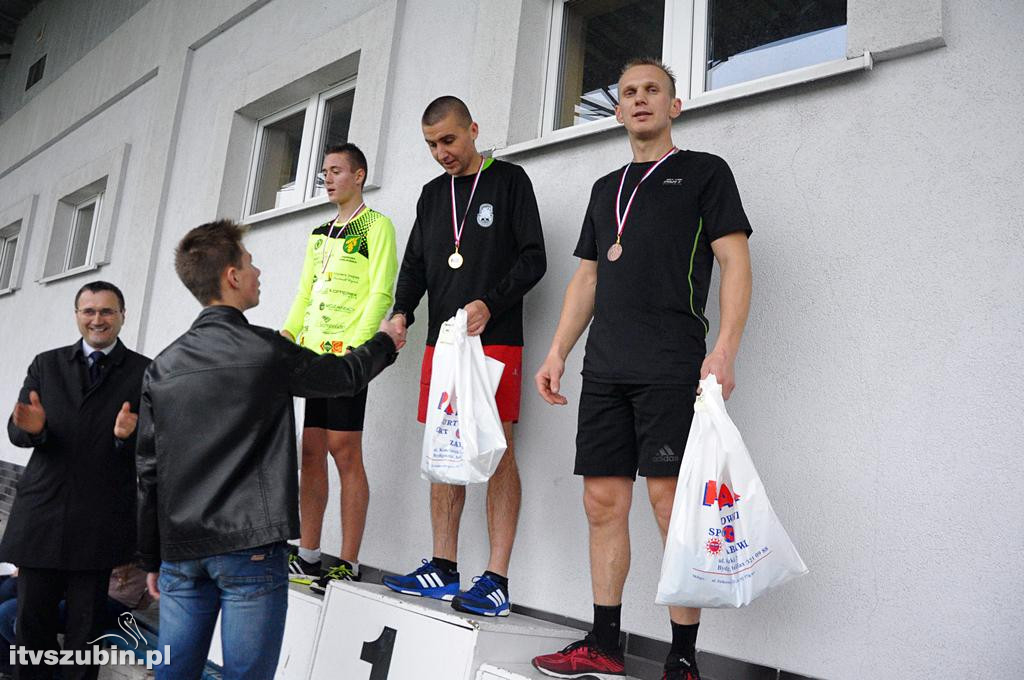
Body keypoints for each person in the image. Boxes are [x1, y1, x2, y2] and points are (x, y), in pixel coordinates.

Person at [531, 58, 753, 680]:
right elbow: (588, 277)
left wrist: (726, 348)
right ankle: (603, 642)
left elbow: (735, 263)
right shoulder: (606, 189)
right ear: (619, 110)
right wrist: (557, 352)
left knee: (669, 505)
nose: (639, 99)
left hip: (670, 363)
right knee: (603, 502)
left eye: (652, 90)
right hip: (605, 368)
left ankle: (682, 656)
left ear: (674, 105)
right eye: (628, 93)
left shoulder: (705, 173)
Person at [136, 220, 403, 680]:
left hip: (181, 552)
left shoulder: (163, 367)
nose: (258, 272)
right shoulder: (265, 351)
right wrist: (386, 342)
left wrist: (150, 556)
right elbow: (341, 378)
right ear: (232, 277)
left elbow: (147, 472)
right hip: (250, 550)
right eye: (250, 263)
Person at [382, 96, 546, 617]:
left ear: (473, 129)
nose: (441, 153)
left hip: (494, 337)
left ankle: (496, 578)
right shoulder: (432, 196)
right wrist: (402, 311)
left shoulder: (510, 181)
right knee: (446, 444)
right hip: (442, 344)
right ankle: (442, 566)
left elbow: (534, 257)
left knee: (497, 451)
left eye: (449, 140)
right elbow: (414, 262)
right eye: (431, 145)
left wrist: (489, 302)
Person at [2, 281, 150, 680]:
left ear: (122, 316)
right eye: (89, 311)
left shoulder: (143, 371)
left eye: (106, 311)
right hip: (42, 515)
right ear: (77, 315)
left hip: (98, 522)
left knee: (85, 634)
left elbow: (157, 448)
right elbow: (17, 433)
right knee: (31, 629)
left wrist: (129, 436)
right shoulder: (46, 365)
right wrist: (31, 430)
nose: (97, 319)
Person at [280, 143, 398, 592]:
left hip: (347, 361)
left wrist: (358, 354)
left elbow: (381, 293)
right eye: (324, 172)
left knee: (344, 450)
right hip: (312, 358)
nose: (328, 179)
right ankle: (307, 555)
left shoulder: (377, 226)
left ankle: (348, 561)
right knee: (310, 452)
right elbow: (305, 293)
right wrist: (288, 337)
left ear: (359, 175)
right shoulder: (318, 234)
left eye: (336, 171)